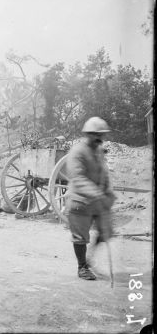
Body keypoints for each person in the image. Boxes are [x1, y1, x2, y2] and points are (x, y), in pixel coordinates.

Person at [66, 117, 116, 281]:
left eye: (102, 135)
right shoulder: (77, 152)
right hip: (79, 202)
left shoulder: (98, 151)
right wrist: (96, 194)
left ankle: (89, 259)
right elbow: (78, 178)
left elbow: (104, 173)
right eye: (96, 135)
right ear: (88, 134)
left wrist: (107, 192)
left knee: (105, 232)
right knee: (80, 238)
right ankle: (82, 267)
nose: (100, 139)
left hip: (97, 202)